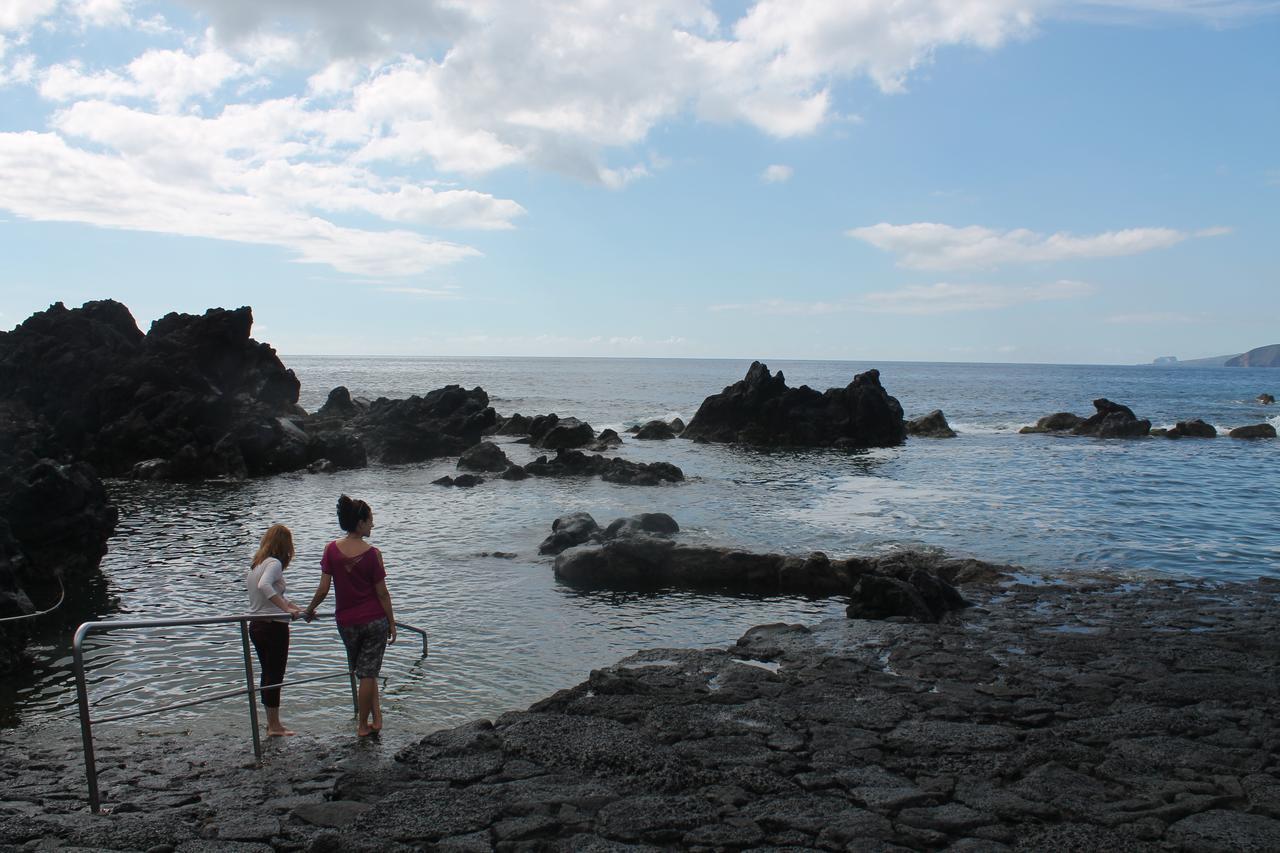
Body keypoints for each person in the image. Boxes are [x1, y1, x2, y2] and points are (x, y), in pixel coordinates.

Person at [304, 495, 396, 737]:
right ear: (360, 523)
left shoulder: (330, 550)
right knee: (369, 672)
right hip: (374, 620)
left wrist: (309, 609)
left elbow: (323, 589)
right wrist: (392, 622)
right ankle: (362, 726)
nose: (373, 525)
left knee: (365, 671)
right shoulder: (373, 554)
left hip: (346, 622)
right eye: (370, 520)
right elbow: (383, 593)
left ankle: (377, 718)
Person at [245, 523, 303, 737]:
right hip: (273, 627)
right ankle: (274, 726)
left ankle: (270, 722)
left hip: (256, 625)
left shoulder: (257, 564)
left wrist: (296, 608)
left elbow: (267, 596)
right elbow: (265, 586)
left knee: (267, 673)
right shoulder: (274, 564)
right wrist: (285, 609)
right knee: (275, 674)